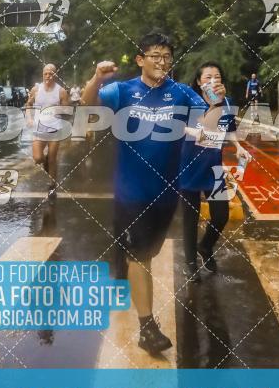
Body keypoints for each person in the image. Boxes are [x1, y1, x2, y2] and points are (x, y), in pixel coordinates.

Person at [81, 30, 206, 356]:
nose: (162, 62)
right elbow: (87, 104)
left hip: (166, 193)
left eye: (166, 57)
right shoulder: (122, 90)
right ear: (140, 60)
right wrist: (96, 77)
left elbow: (206, 115)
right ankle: (147, 327)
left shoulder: (179, 92)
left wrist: (207, 119)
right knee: (140, 254)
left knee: (146, 254)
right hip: (130, 191)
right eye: (155, 56)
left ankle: (125, 267)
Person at [179, 63, 249, 282]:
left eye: (217, 77)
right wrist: (196, 133)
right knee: (190, 217)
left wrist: (238, 147)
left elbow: (229, 129)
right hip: (188, 164)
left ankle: (205, 247)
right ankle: (190, 262)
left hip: (214, 167)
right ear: (199, 82)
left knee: (221, 215)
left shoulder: (226, 102)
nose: (212, 81)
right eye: (207, 77)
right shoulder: (190, 100)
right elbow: (177, 126)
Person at [26, 64, 70, 200]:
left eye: (51, 74)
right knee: (38, 158)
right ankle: (45, 163)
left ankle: (52, 186)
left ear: (55, 75)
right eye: (45, 73)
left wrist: (59, 111)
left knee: (52, 158)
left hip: (54, 128)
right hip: (39, 128)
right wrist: (29, 118)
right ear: (42, 74)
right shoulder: (36, 89)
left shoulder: (61, 91)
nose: (48, 76)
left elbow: (67, 111)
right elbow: (28, 105)